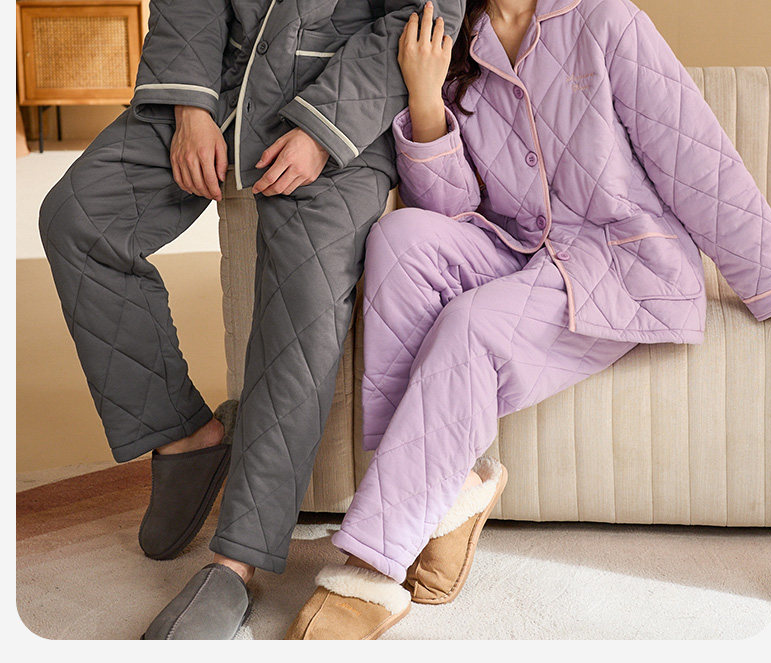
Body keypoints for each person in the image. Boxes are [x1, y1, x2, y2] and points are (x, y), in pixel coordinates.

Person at [287, 0, 771, 639]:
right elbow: (451, 210)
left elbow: (696, 161)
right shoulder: (453, 35)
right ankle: (444, 496)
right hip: (514, 248)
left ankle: (372, 568)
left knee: (472, 327)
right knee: (399, 239)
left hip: (617, 263)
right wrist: (427, 98)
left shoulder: (606, 20)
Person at [38, 0, 463, 640]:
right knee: (78, 218)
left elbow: (424, 14)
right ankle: (185, 437)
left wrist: (322, 131)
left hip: (337, 115)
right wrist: (190, 107)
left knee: (301, 310)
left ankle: (234, 564)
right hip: (222, 84)